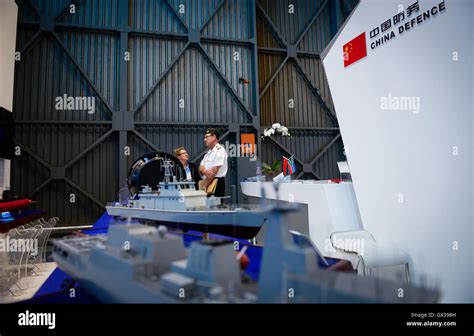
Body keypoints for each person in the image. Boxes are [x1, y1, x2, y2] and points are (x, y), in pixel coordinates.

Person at [199, 128, 228, 197]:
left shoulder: (220, 151)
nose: (204, 139)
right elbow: (200, 167)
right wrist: (204, 171)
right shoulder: (208, 152)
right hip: (207, 181)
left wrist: (205, 185)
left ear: (214, 137)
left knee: (215, 206)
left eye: (206, 137)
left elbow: (214, 171)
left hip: (216, 183)